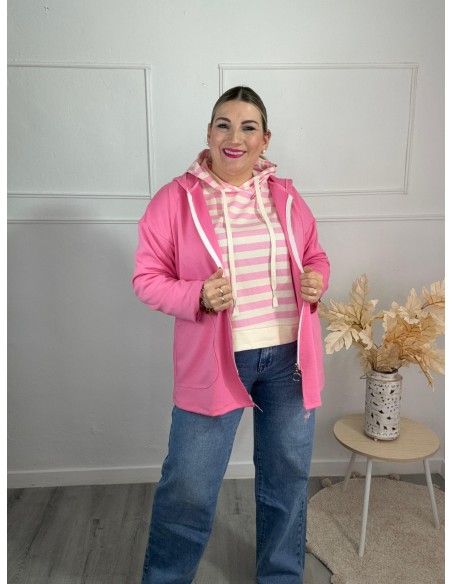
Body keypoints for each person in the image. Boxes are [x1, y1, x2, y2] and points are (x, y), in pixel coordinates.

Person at [133, 86, 330, 584]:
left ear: (265, 139)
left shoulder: (286, 196)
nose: (234, 137)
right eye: (224, 124)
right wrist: (197, 295)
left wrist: (316, 279)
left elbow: (315, 256)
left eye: (248, 127)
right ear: (208, 133)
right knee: (190, 485)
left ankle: (280, 576)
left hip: (290, 359)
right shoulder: (176, 199)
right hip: (216, 361)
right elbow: (147, 278)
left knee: (286, 478)